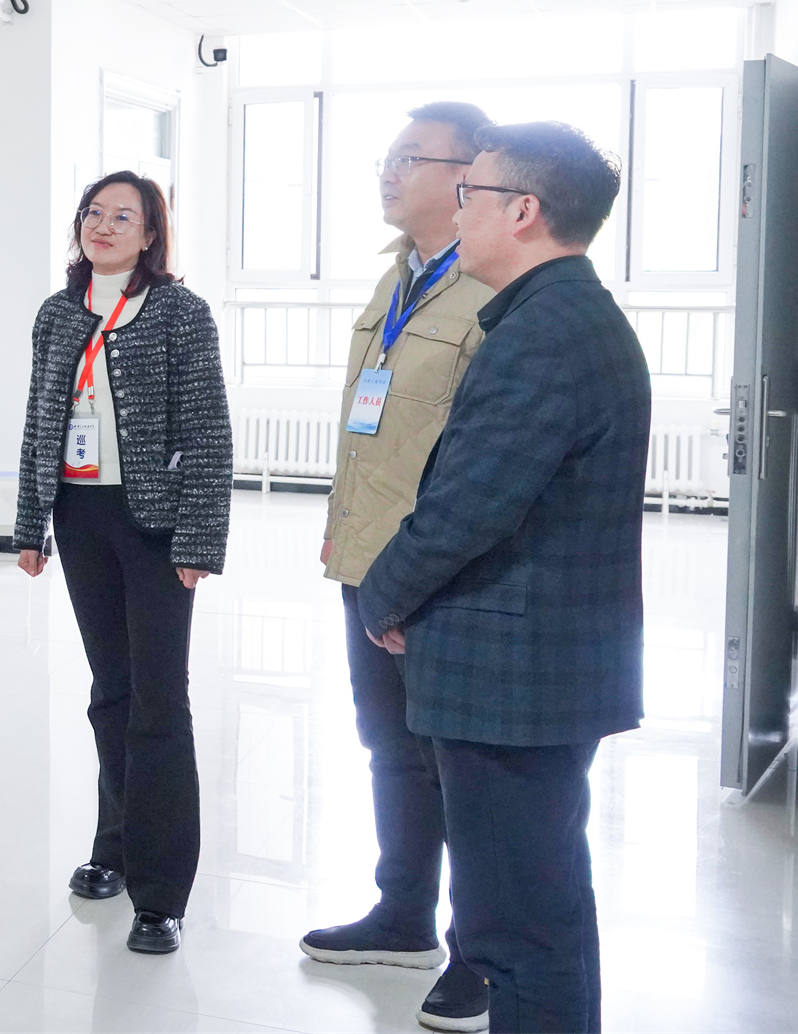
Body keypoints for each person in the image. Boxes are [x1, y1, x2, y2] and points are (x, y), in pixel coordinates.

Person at [355, 122, 648, 1034]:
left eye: (469, 194)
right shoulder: (557, 315)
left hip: (511, 680)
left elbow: (468, 507)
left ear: (522, 211)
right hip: (539, 669)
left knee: (513, 931)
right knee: (543, 908)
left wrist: (383, 592)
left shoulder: (544, 334)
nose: (456, 211)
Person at [300, 103, 495, 1034]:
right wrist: (344, 536)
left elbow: (473, 460)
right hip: (368, 560)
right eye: (386, 156)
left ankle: (479, 953)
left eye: (409, 157)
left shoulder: (490, 288)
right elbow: (375, 427)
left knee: (458, 764)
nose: (388, 171)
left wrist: (416, 572)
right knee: (390, 746)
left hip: (436, 571)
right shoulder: (399, 276)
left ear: (467, 176)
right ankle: (403, 914)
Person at [13, 170, 231, 957]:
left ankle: (162, 891)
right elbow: (39, 420)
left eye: (123, 217)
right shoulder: (57, 312)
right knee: (111, 690)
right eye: (93, 213)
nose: (103, 226)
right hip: (80, 516)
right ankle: (114, 845)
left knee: (158, 699)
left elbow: (208, 428)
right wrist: (29, 525)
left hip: (155, 524)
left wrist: (199, 540)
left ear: (150, 235)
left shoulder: (179, 311)